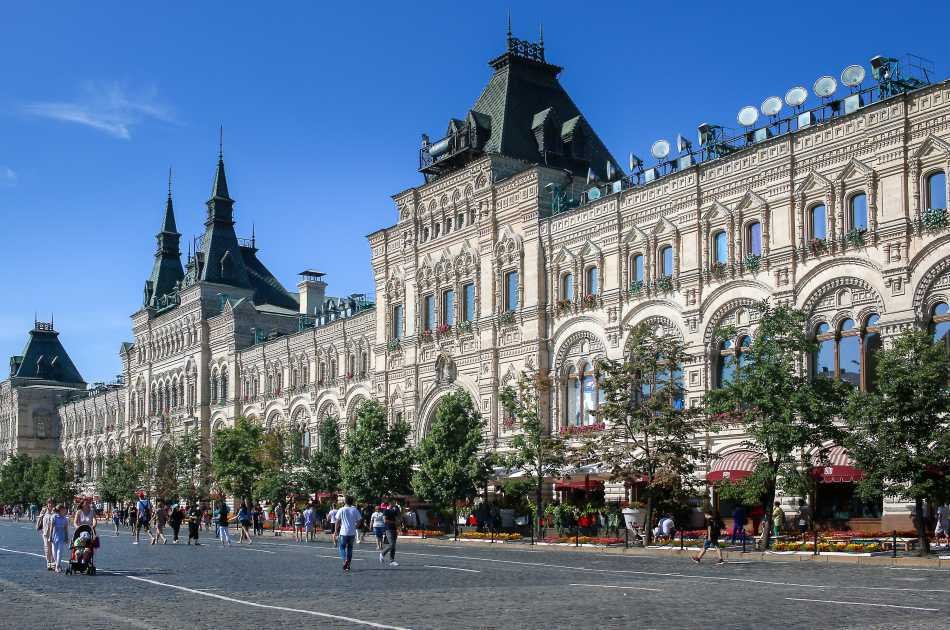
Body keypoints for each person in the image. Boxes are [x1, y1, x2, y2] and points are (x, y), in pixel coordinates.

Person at [335, 495, 362, 572]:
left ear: (345, 501)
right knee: (350, 548)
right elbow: (360, 520)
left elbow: (337, 521)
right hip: (352, 532)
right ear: (352, 502)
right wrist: (356, 526)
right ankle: (348, 565)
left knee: (342, 547)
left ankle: (344, 561)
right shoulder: (355, 510)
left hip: (343, 532)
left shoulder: (341, 509)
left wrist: (336, 531)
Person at [47, 504, 69, 573]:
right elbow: (51, 527)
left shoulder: (65, 518)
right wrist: (50, 536)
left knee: (60, 551)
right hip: (54, 534)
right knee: (54, 550)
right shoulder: (54, 517)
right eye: (63, 510)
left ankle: (57, 566)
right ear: (60, 510)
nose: (65, 511)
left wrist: (66, 537)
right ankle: (57, 564)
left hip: (61, 535)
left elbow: (66, 528)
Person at [380, 501, 401, 567]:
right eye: (393, 503)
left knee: (393, 546)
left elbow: (399, 516)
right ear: (390, 504)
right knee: (391, 544)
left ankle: (392, 561)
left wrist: (398, 508)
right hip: (388, 529)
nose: (394, 504)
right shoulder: (386, 511)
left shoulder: (394, 511)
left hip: (394, 529)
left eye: (395, 503)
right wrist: (394, 522)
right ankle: (382, 553)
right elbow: (385, 520)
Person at [37, 498, 55, 570]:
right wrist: (38, 526)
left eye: (51, 503)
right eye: (49, 503)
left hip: (54, 533)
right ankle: (48, 562)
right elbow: (39, 519)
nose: (50, 504)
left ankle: (53, 563)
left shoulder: (56, 511)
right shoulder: (44, 510)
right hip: (46, 532)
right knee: (47, 548)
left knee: (53, 548)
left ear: (54, 503)